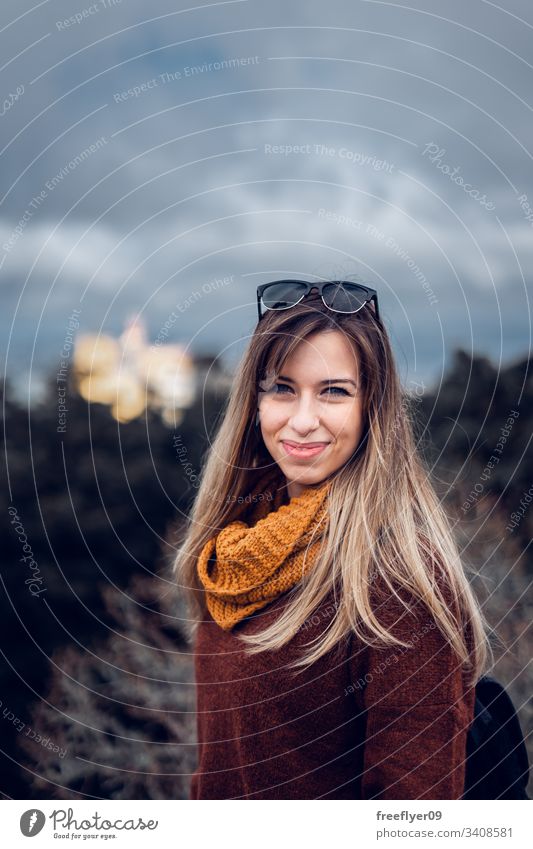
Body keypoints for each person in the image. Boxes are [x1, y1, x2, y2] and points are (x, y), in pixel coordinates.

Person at [173, 279, 493, 799]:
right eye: (282, 388)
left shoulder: (396, 580)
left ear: (373, 408)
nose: (302, 420)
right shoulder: (235, 550)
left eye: (334, 391)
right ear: (253, 402)